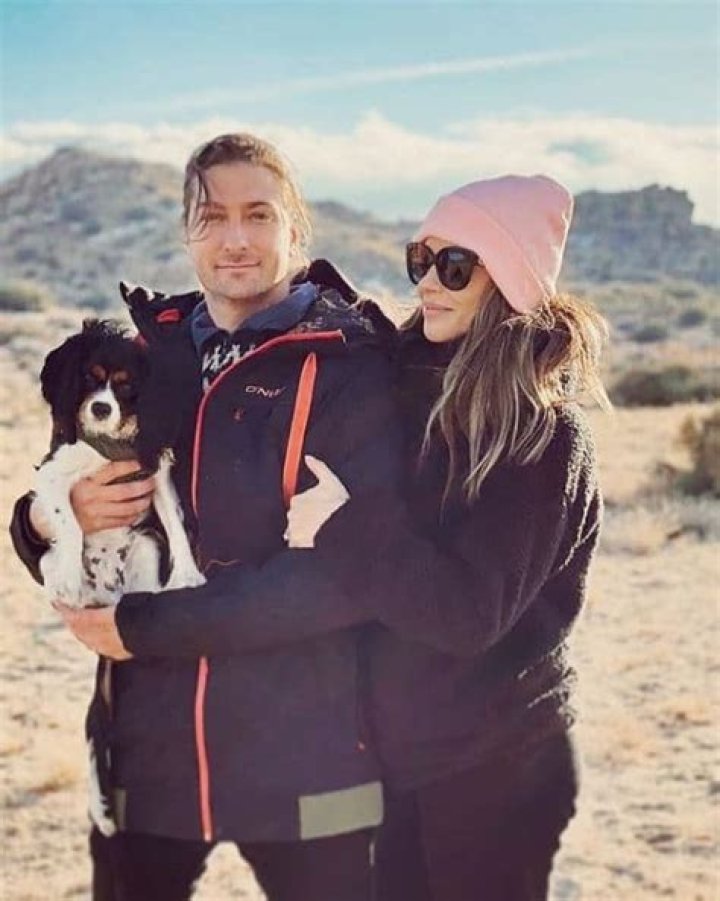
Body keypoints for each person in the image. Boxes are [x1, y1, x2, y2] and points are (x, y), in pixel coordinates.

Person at [69, 173, 607, 901]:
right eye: (422, 259)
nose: (428, 282)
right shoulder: (404, 374)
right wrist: (63, 510)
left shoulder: (543, 436)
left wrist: (342, 526)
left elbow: (467, 615)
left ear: (512, 280)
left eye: (456, 266)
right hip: (398, 760)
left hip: (495, 767)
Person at [9, 132, 400, 901]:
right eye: (212, 216)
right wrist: (52, 521)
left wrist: (145, 625)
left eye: (259, 214)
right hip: (149, 749)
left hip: (308, 751)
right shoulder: (140, 357)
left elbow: (344, 576)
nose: (235, 238)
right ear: (187, 231)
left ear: (295, 227)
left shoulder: (350, 363)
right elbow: (52, 498)